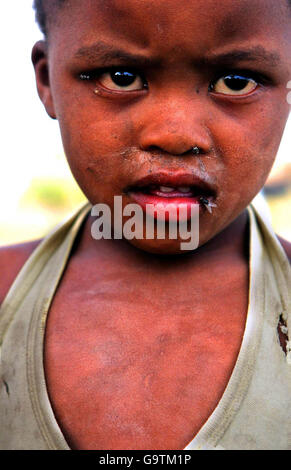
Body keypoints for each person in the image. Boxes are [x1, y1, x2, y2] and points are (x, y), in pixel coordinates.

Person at [0, 0, 290, 451]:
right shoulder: (4, 292)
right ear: (46, 81)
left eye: (235, 81)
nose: (174, 135)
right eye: (121, 76)